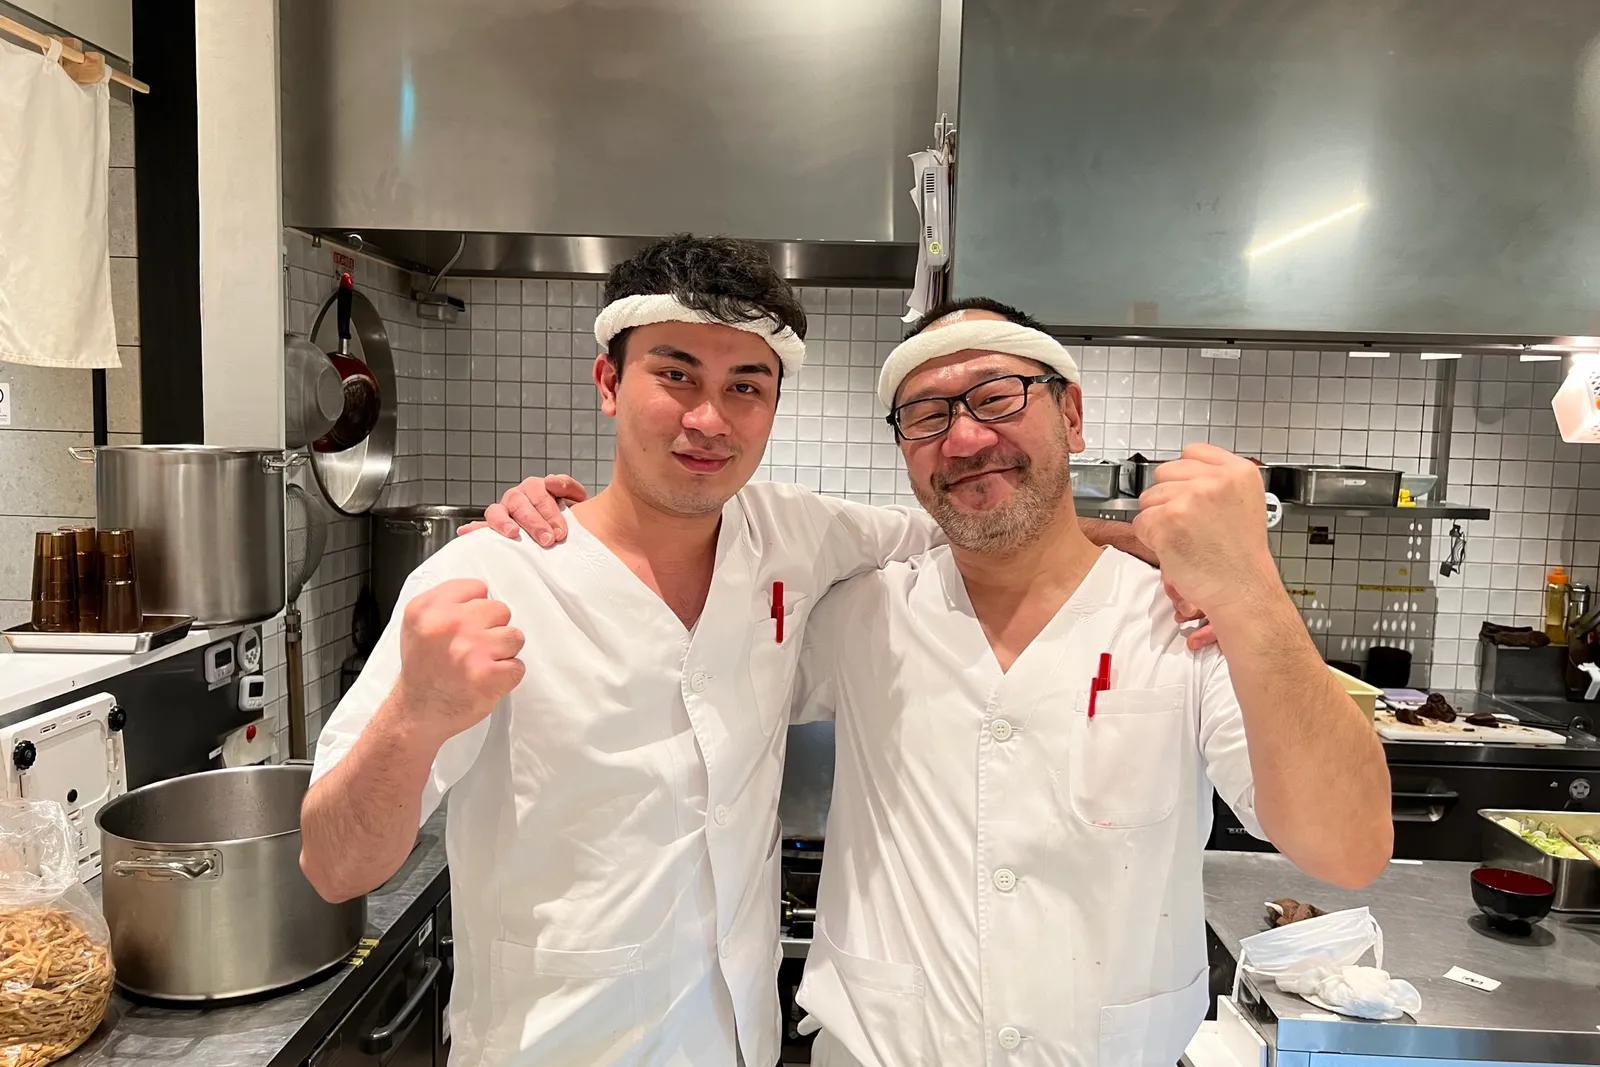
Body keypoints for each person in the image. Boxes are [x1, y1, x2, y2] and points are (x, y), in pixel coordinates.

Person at [299, 236, 1145, 1067]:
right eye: (675, 375)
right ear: (609, 383)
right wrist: (414, 716)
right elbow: (335, 868)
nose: (708, 418)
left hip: (737, 1041)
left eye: (746, 385)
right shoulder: (493, 574)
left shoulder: (794, 536)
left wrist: (1153, 547)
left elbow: (977, 526)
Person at [786, 299, 1394, 1067]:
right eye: (927, 414)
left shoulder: (1185, 622)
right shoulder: (862, 614)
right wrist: (591, 544)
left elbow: (1348, 849)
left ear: (1071, 414)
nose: (966, 437)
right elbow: (685, 653)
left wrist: (1253, 588)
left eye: (998, 395)